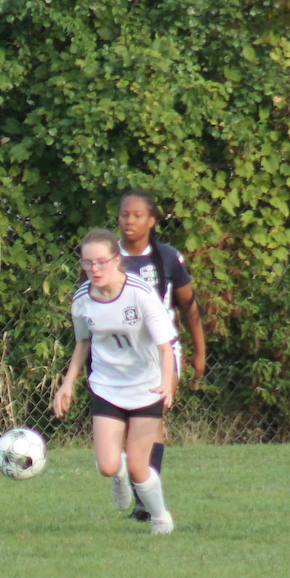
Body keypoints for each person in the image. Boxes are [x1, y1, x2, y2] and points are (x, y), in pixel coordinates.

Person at [53, 229, 180, 535]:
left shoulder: (140, 293)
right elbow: (82, 343)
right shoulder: (82, 299)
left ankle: (160, 517)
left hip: (146, 386)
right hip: (107, 386)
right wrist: (67, 384)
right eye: (87, 263)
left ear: (117, 260)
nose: (94, 269)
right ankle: (118, 472)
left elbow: (165, 347)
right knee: (108, 466)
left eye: (101, 262)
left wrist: (167, 381)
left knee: (139, 467)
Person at [114, 189, 206, 520]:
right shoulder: (108, 258)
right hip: (120, 353)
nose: (130, 220)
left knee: (151, 418)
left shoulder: (167, 257)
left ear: (152, 221)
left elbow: (189, 305)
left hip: (161, 351)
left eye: (138, 215)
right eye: (125, 214)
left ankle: (144, 501)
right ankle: (133, 481)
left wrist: (199, 352)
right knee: (125, 426)